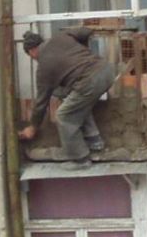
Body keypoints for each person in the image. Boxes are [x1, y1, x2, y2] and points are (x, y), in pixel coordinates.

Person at [18, 27, 115, 162]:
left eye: (30, 56)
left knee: (64, 116)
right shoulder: (61, 36)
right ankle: (94, 140)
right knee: (69, 98)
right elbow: (86, 31)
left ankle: (79, 158)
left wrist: (33, 127)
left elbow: (41, 102)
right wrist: (83, 50)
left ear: (32, 51)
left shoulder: (43, 68)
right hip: (107, 71)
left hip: (89, 81)